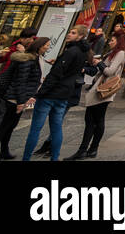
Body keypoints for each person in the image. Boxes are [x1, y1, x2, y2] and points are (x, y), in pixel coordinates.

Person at [22, 24, 92, 161]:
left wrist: (39, 93)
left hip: (51, 94)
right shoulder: (83, 52)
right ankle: (54, 157)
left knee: (36, 128)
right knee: (56, 128)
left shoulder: (71, 51)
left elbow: (56, 75)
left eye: (73, 33)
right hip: (64, 94)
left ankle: (26, 158)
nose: (69, 34)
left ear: (80, 36)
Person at [65, 30, 125, 161]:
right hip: (100, 89)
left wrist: (98, 63)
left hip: (104, 90)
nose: (110, 42)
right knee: (94, 120)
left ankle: (86, 150)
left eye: (112, 40)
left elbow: (110, 71)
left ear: (119, 42)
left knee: (93, 120)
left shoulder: (121, 53)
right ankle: (90, 149)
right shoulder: (112, 53)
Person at [0, 36, 47, 161]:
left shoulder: (36, 59)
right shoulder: (28, 60)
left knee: (10, 126)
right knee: (4, 126)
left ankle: (3, 151)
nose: (48, 47)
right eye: (46, 45)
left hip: (20, 97)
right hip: (14, 98)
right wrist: (20, 102)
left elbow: (29, 80)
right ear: (40, 46)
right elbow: (21, 82)